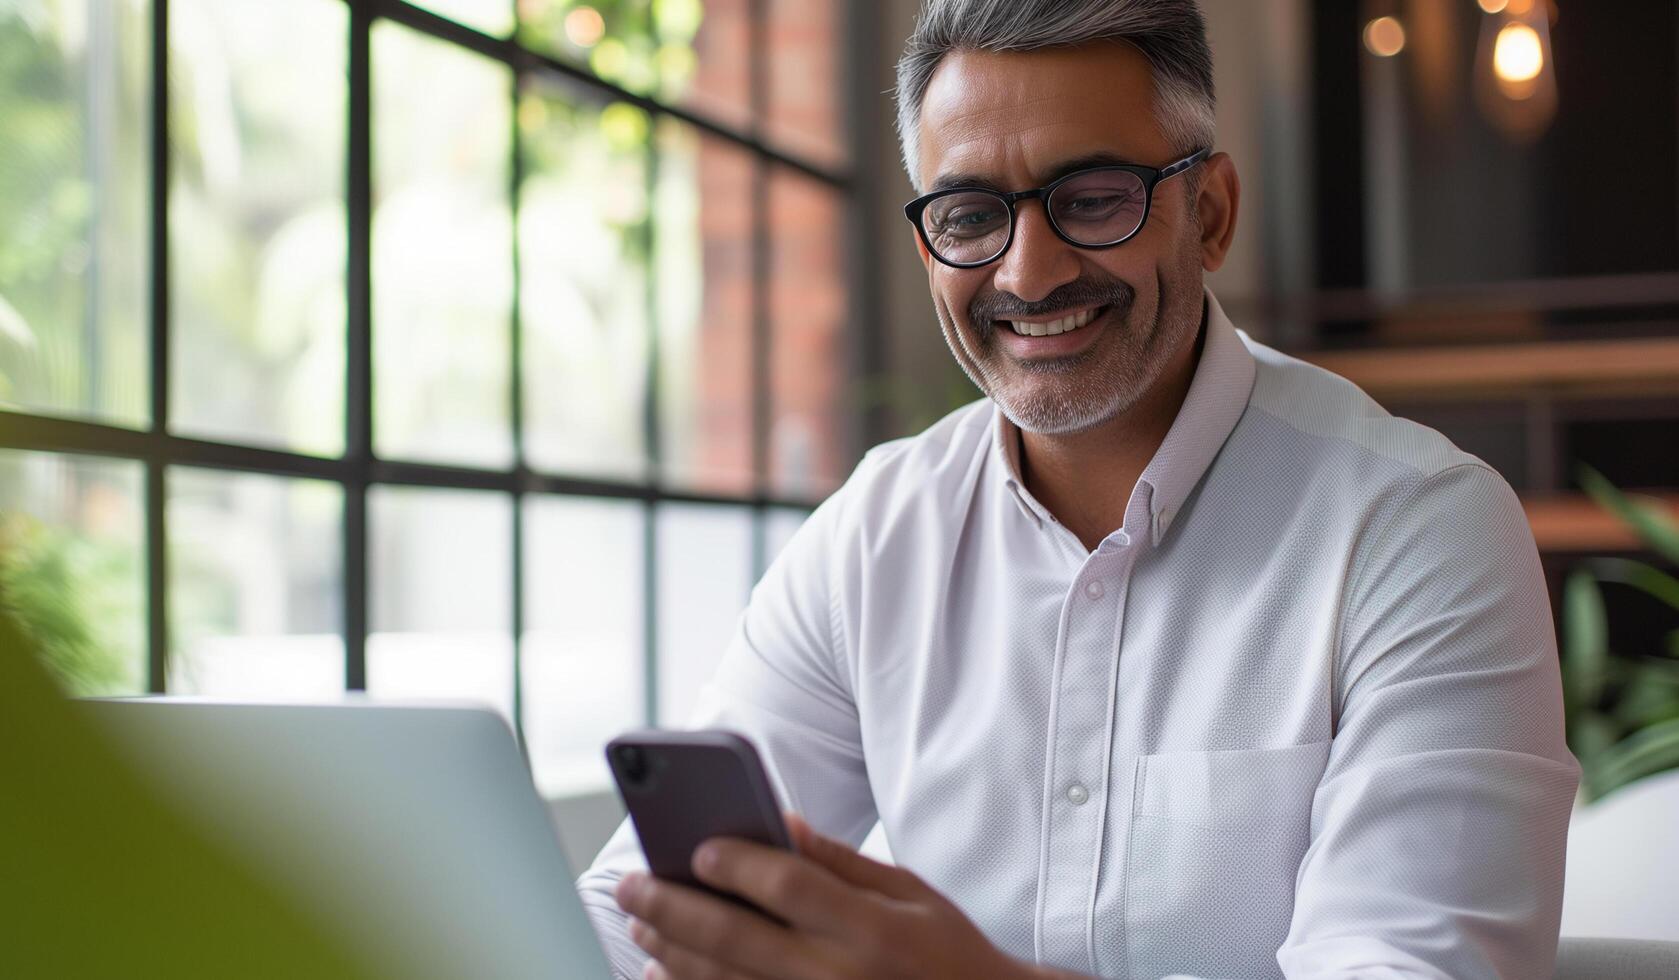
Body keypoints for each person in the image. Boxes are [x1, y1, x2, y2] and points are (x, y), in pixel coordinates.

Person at [579, 2, 1580, 977]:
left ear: (1211, 214)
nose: (1028, 270)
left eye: (1093, 198)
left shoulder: (1419, 532)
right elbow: (643, 910)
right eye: (969, 214)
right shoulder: (870, 537)